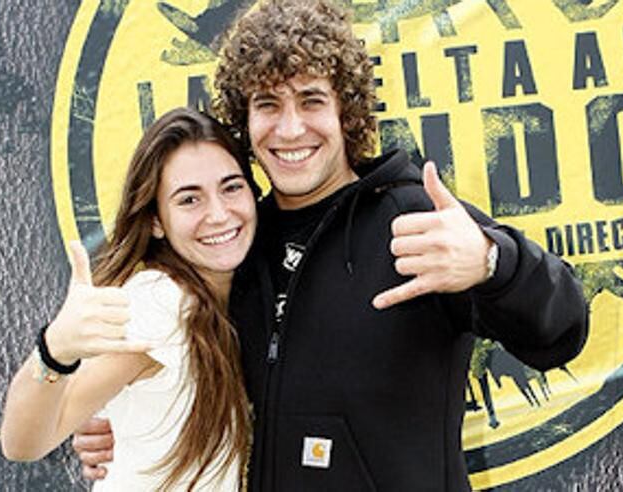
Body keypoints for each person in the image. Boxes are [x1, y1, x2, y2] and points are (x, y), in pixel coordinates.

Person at [74, 0, 589, 490]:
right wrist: (125, 423)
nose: (290, 128)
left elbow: (563, 329)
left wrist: (493, 263)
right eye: (268, 104)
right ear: (244, 120)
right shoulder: (235, 247)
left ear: (347, 110)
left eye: (311, 100)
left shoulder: (414, 220)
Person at [1, 108, 260, 491]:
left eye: (231, 187)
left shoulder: (244, 294)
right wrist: (55, 350)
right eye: (189, 199)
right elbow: (23, 443)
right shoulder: (159, 304)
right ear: (156, 220)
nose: (219, 214)